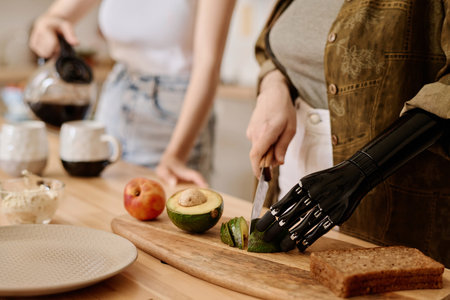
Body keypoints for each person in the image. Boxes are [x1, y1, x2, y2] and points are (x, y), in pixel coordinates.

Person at [246, 0, 449, 267]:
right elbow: (272, 47)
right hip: (290, 193)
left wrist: (359, 172)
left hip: (392, 212)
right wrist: (274, 85)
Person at [29, 0, 236, 187]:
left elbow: (208, 66)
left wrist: (176, 155)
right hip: (116, 102)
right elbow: (53, 18)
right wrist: (46, 26)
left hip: (177, 120)